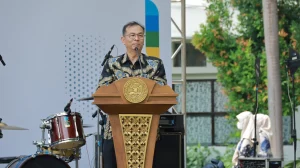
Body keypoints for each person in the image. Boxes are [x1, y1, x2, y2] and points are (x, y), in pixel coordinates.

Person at [96, 21, 167, 168]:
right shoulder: (112, 64)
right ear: (123, 40)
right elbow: (102, 91)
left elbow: (162, 93)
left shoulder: (155, 64)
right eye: (132, 35)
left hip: (147, 131)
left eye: (140, 35)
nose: (137, 39)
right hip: (114, 131)